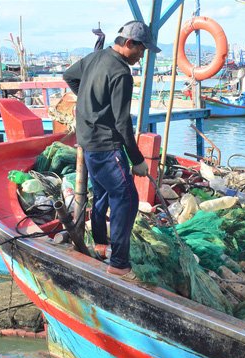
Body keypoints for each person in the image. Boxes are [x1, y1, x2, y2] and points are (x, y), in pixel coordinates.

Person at [62, 20, 161, 280]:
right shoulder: (121, 73)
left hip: (87, 141)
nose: (141, 55)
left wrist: (89, 104)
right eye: (141, 50)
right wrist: (137, 159)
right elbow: (122, 122)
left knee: (104, 192)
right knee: (126, 199)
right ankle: (118, 263)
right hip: (106, 146)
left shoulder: (95, 57)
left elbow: (69, 76)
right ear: (129, 43)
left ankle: (99, 242)